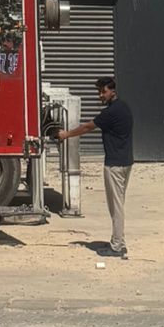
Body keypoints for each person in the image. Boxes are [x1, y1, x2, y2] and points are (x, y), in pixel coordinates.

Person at [56, 75, 134, 258]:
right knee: (118, 203)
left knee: (116, 206)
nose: (100, 95)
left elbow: (87, 127)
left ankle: (117, 246)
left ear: (112, 91)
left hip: (115, 165)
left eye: (103, 91)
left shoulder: (111, 112)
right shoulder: (124, 107)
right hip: (125, 162)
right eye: (99, 92)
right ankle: (118, 241)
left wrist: (65, 134)